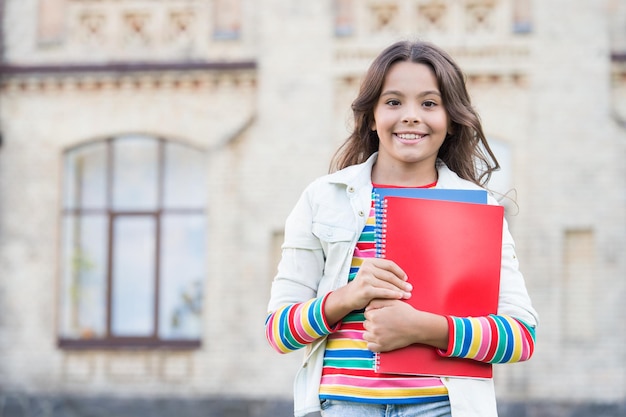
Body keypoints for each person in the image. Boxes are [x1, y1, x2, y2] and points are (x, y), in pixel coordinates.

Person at [265, 40, 538, 417]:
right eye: (393, 102)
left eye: (429, 103)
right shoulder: (322, 198)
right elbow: (278, 332)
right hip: (343, 407)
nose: (411, 116)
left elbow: (521, 337)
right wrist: (349, 296)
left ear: (451, 119)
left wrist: (425, 328)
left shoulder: (478, 207)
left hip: (442, 408)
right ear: (372, 116)